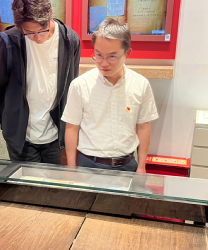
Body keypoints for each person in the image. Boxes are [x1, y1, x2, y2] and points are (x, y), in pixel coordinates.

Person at [0, 0, 81, 164]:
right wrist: (11, 121)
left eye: (42, 30)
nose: (38, 38)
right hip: (22, 138)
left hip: (55, 135)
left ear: (51, 13)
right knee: (25, 182)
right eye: (29, 33)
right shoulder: (8, 43)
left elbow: (71, 87)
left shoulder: (69, 40)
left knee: (52, 182)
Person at [62, 19, 158, 173]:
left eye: (112, 56)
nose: (104, 63)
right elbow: (72, 128)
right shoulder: (80, 85)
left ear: (127, 53)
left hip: (127, 165)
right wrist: (71, 169)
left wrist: (141, 166)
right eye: (98, 55)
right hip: (89, 165)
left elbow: (143, 126)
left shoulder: (140, 85)